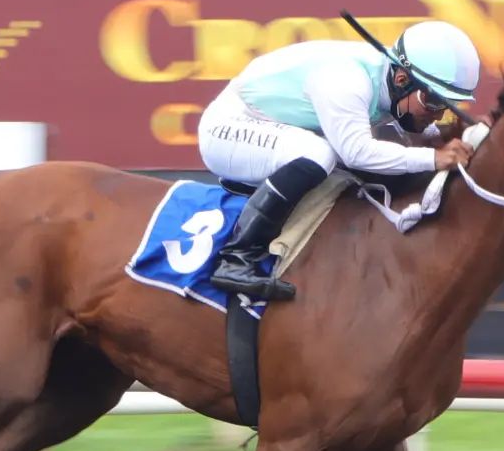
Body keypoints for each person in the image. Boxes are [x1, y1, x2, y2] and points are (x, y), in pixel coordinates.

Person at [198, 20, 480, 301]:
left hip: (270, 126)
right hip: (228, 129)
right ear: (402, 80)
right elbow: (356, 152)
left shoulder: (388, 79)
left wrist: (447, 137)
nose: (438, 113)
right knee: (320, 154)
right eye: (433, 102)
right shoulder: (347, 81)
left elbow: (408, 129)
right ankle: (236, 259)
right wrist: (434, 158)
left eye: (446, 105)